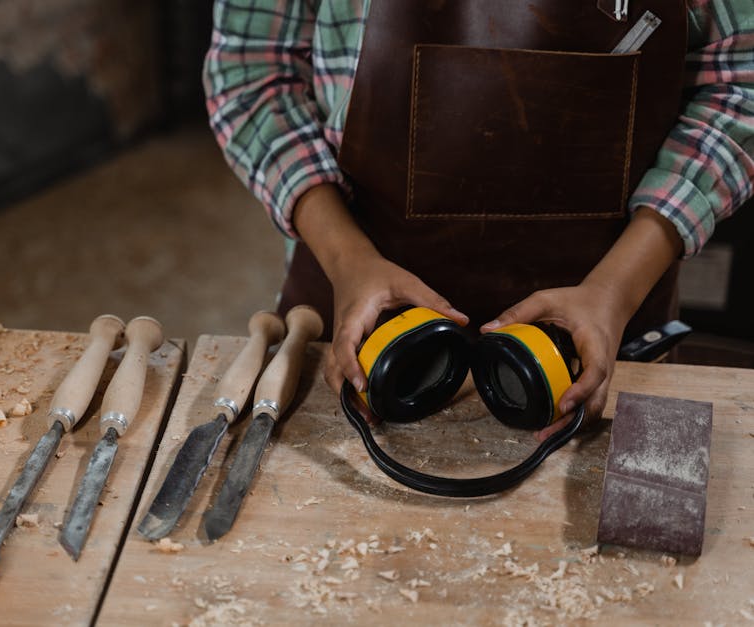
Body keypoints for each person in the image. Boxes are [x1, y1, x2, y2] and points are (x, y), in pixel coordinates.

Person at [203, 0, 754, 439]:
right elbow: (252, 72)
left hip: (608, 325)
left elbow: (742, 86)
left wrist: (615, 289)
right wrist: (349, 259)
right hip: (362, 316)